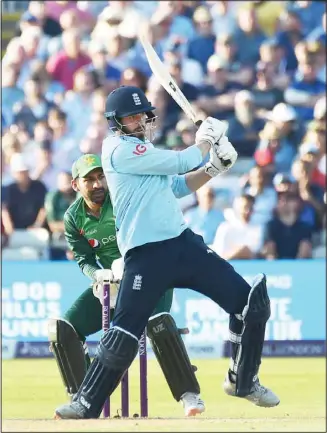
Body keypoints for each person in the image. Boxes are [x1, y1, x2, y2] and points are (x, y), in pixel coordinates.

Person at [55, 86, 279, 419]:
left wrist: (216, 167)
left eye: (141, 114)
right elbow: (181, 160)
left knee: (249, 304)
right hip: (145, 254)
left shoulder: (142, 151)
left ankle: (243, 380)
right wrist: (205, 140)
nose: (139, 120)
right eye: (131, 116)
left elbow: (177, 184)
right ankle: (85, 402)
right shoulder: (116, 149)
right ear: (116, 122)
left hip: (182, 244)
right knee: (125, 330)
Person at [50, 153, 205, 417]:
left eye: (101, 177)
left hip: (152, 272)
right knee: (62, 329)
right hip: (113, 281)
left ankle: (190, 395)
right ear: (76, 185)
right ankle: (83, 398)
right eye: (90, 180)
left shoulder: (123, 198)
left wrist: (130, 261)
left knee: (158, 323)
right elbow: (83, 259)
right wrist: (97, 275)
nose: (98, 184)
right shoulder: (73, 217)